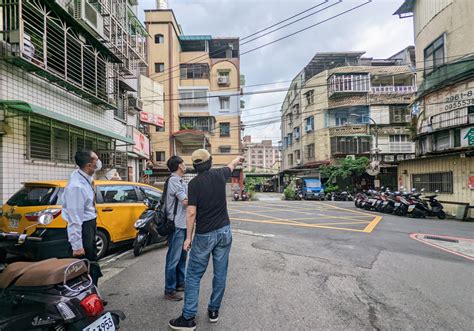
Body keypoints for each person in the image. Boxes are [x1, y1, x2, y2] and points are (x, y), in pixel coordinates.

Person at [169, 149, 244, 330]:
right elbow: (231, 165)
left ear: (195, 166)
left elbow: (191, 212)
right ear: (210, 162)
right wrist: (238, 158)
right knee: (220, 273)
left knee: (194, 275)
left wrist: (188, 238)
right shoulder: (220, 174)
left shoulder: (194, 184)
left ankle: (188, 318)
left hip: (204, 235)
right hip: (224, 232)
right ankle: (213, 311)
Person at [62, 150, 103, 286]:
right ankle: (86, 298)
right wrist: (77, 246)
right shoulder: (76, 187)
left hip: (90, 225)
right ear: (89, 165)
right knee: (84, 267)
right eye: (96, 160)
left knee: (92, 262)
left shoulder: (83, 177)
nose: (99, 163)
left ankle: (93, 294)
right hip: (84, 228)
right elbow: (75, 219)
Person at [164, 156, 189, 301]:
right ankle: (169, 289)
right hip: (176, 224)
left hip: (183, 223)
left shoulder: (180, 181)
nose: (185, 165)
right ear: (179, 166)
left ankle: (180, 283)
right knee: (173, 258)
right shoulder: (173, 180)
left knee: (182, 256)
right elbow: (185, 201)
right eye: (183, 163)